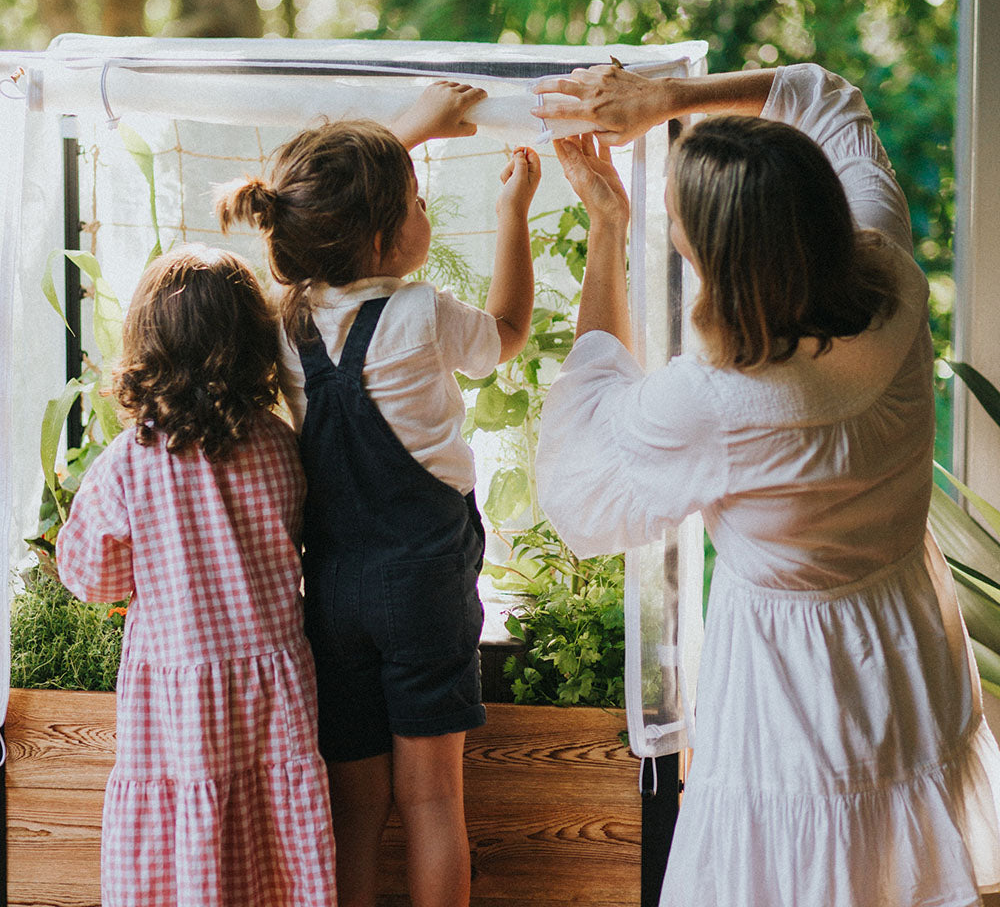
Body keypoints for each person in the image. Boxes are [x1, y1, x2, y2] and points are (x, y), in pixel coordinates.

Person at [531, 62, 1000, 906]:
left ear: (716, 256)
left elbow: (582, 478)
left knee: (798, 870)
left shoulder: (717, 398)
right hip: (905, 629)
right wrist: (668, 100)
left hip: (795, 677)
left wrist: (606, 227)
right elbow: (828, 95)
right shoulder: (884, 267)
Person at [215, 81, 541, 907]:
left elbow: (318, 206)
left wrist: (408, 136)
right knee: (433, 801)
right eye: (418, 202)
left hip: (330, 594)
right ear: (384, 234)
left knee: (354, 808)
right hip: (424, 592)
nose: (428, 212)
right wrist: (512, 213)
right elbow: (508, 332)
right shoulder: (424, 315)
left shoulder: (285, 321)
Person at [56, 246, 336, 907]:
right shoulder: (279, 445)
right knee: (271, 824)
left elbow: (92, 576)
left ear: (146, 349)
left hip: (177, 690)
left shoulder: (129, 464)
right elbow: (301, 534)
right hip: (275, 685)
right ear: (253, 347)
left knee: (188, 827)